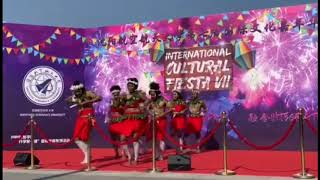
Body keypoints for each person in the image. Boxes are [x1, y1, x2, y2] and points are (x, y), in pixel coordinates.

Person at [66, 80, 102, 164]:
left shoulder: (88, 93)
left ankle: (87, 157)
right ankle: (87, 155)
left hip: (88, 116)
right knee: (76, 138)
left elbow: (99, 97)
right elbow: (67, 100)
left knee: (85, 137)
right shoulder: (75, 96)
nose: (77, 92)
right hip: (80, 117)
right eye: (75, 91)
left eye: (79, 90)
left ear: (82, 89)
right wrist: (74, 101)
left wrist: (88, 102)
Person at [122, 78, 147, 165]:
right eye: (128, 85)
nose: (129, 87)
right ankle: (129, 156)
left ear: (135, 86)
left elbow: (147, 100)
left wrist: (143, 106)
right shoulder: (124, 95)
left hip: (136, 118)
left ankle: (136, 159)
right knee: (124, 138)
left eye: (131, 85)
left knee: (135, 139)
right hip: (127, 119)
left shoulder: (139, 93)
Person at [146, 82, 170, 160]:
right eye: (151, 94)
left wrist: (163, 114)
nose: (152, 95)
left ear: (156, 92)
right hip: (153, 121)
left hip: (162, 120)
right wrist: (149, 113)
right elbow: (146, 109)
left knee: (161, 138)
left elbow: (171, 108)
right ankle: (156, 154)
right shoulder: (150, 101)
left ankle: (161, 155)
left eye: (153, 93)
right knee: (153, 139)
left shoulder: (163, 100)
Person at [104, 85, 128, 160]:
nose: (115, 95)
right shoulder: (110, 101)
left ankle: (124, 154)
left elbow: (126, 109)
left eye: (117, 93)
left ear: (119, 92)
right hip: (112, 121)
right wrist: (107, 118)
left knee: (122, 138)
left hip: (121, 120)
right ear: (112, 94)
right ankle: (116, 153)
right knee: (113, 139)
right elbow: (107, 111)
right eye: (114, 94)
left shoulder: (123, 100)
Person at [186, 89, 208, 153]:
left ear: (197, 94)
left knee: (197, 133)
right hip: (190, 118)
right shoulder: (189, 101)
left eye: (195, 93)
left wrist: (203, 112)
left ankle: (198, 148)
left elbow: (206, 109)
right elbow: (185, 108)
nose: (193, 95)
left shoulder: (201, 102)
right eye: (192, 93)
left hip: (198, 119)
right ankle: (188, 147)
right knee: (187, 133)